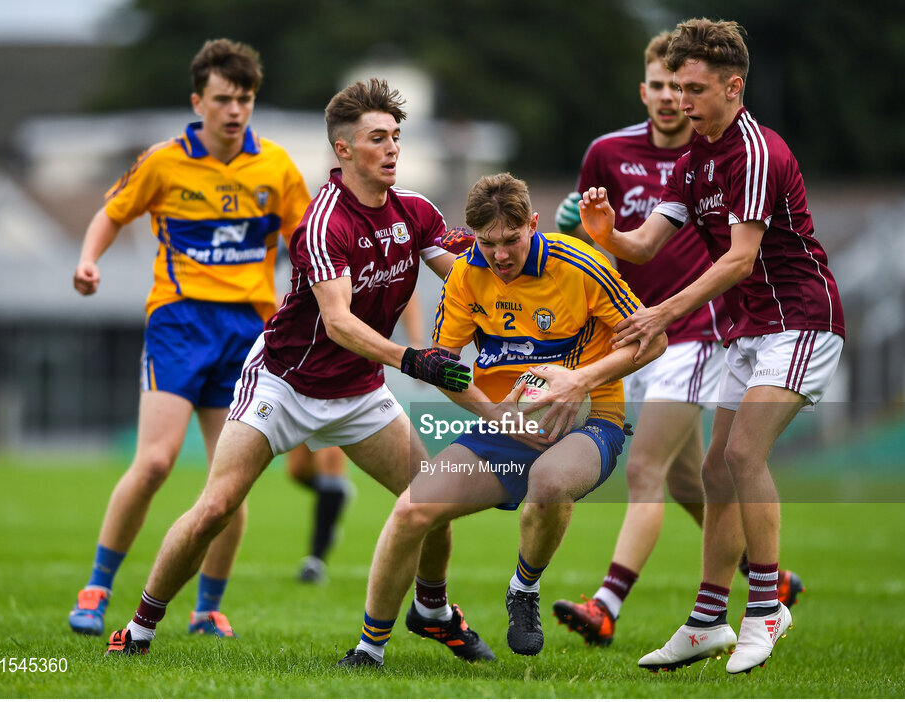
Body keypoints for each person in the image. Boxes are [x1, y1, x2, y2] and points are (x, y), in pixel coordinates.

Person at [103, 79, 494, 665]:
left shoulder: (415, 211)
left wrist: (532, 261)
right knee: (216, 506)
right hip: (283, 384)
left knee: (432, 498)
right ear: (343, 149)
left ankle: (433, 611)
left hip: (358, 392)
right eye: (377, 139)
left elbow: (470, 276)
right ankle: (138, 628)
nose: (392, 149)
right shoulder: (323, 223)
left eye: (396, 138)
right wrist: (415, 360)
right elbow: (337, 323)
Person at [579, 18, 845, 674]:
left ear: (734, 86)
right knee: (714, 472)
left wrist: (659, 315)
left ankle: (764, 612)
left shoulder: (752, 151)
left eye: (695, 88)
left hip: (800, 321)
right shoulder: (696, 154)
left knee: (745, 456)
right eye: (674, 87)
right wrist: (608, 234)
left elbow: (740, 261)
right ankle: (705, 622)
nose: (681, 101)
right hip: (747, 332)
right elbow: (645, 245)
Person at [336, 172, 666, 669]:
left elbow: (652, 340)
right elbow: (445, 367)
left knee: (549, 481)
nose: (501, 255)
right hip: (503, 425)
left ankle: (523, 590)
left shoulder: (581, 265)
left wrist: (580, 380)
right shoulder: (467, 274)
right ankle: (369, 649)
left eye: (511, 240)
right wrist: (499, 418)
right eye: (488, 244)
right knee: (411, 512)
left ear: (532, 224)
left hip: (591, 418)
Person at [67, 38, 311, 639]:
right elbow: (112, 212)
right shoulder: (163, 160)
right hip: (179, 324)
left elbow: (309, 241)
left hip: (249, 334)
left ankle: (207, 609)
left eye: (246, 99)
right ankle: (97, 588)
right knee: (153, 462)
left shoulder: (275, 167)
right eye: (224, 99)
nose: (235, 110)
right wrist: (88, 258)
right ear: (198, 100)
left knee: (228, 485)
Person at [287, 294, 424, 585]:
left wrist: (416, 345)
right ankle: (335, 495)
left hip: (348, 370)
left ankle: (315, 559)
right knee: (298, 470)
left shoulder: (369, 255)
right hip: (300, 365)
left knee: (330, 459)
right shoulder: (294, 250)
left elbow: (407, 294)